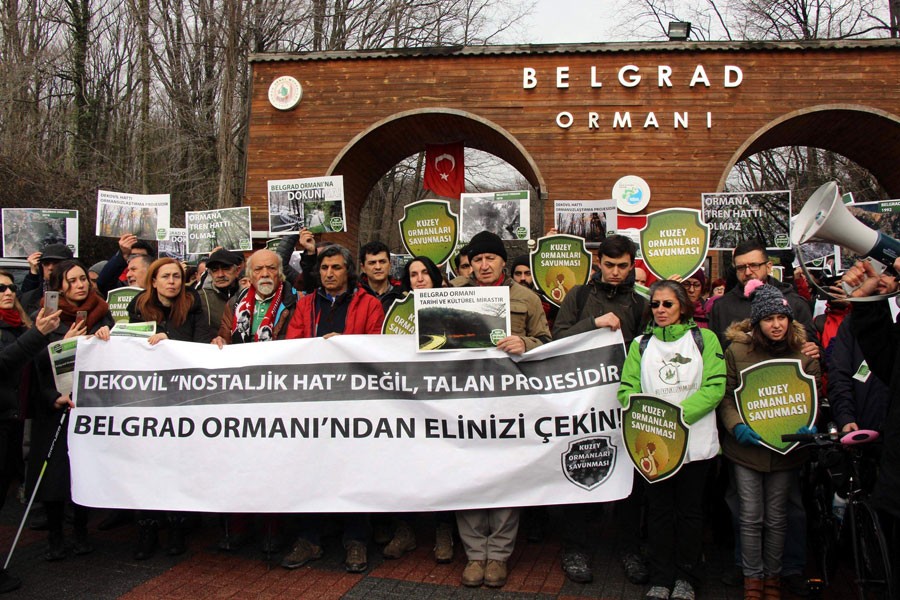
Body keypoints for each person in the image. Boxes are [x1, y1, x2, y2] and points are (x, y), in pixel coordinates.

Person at [708, 239, 817, 595]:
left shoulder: (801, 348)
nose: (775, 325)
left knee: (780, 515)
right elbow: (726, 393)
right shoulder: (732, 333)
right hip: (747, 447)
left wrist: (809, 421)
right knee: (748, 514)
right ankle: (751, 578)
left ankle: (776, 576)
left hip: (786, 447)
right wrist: (736, 427)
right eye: (768, 319)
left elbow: (814, 390)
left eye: (781, 318)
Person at [453, 231, 552, 589]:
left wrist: (524, 342)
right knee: (470, 477)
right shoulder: (452, 293)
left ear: (501, 261)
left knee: (506, 478)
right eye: (477, 259)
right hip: (463, 402)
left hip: (510, 403)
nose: (483, 265)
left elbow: (547, 341)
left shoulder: (526, 297)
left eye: (490, 258)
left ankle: (499, 556)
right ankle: (474, 553)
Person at [617, 280, 725, 600]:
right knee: (659, 513)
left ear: (682, 306)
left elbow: (715, 386)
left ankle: (687, 577)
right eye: (655, 304)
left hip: (694, 444)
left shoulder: (704, 339)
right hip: (654, 444)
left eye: (668, 304)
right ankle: (662, 578)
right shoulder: (640, 345)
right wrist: (646, 415)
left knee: (690, 513)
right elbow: (627, 389)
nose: (661, 310)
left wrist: (677, 417)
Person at [552, 234, 649, 584]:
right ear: (598, 263)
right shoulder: (578, 296)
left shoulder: (642, 304)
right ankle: (575, 547)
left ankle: (629, 547)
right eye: (609, 265)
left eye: (623, 266)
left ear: (632, 265)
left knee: (630, 481)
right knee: (582, 470)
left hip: (624, 407)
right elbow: (557, 339)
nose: (615, 272)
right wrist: (592, 324)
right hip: (583, 405)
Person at [282, 245, 384, 573]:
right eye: (324, 267)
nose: (329, 273)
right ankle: (309, 538)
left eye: (336, 267)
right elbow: (294, 344)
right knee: (308, 468)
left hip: (354, 402)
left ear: (349, 271)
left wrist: (345, 344)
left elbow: (375, 346)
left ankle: (356, 540)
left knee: (353, 469)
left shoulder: (369, 303)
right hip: (313, 401)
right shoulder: (306, 304)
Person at [124, 258, 213, 558]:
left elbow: (201, 346)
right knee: (147, 467)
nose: (173, 281)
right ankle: (146, 528)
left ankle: (178, 527)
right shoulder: (137, 308)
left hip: (183, 400)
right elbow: (128, 347)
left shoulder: (194, 305)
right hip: (148, 401)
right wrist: (106, 337)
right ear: (153, 281)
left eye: (177, 276)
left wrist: (169, 340)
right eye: (166, 277)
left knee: (179, 465)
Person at [212, 249, 297, 554]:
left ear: (280, 274)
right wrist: (220, 340)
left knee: (273, 463)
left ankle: (273, 527)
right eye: (258, 269)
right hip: (241, 396)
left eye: (271, 269)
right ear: (248, 275)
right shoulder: (236, 303)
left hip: (278, 395)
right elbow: (224, 333)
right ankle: (238, 525)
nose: (265, 275)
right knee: (238, 461)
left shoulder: (295, 301)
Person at [28, 259, 113, 561]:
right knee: (55, 475)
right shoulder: (46, 315)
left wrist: (107, 340)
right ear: (59, 286)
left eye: (83, 280)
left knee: (83, 468)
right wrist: (62, 345)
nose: (79, 285)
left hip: (89, 406)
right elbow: (32, 362)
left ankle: (80, 531)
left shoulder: (103, 314)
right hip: (53, 407)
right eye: (72, 281)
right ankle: (54, 536)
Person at [379, 255, 454, 564]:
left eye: (425, 272)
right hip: (406, 400)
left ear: (435, 276)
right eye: (413, 274)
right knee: (405, 464)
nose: (420, 278)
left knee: (444, 466)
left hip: (444, 399)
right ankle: (405, 530)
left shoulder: (453, 305)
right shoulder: (395, 309)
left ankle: (444, 531)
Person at [0, 271, 63, 593]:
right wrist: (36, 334)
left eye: (11, 286)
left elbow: (38, 366)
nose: (9, 292)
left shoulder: (17, 324)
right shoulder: (18, 330)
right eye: (1, 288)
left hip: (12, 420)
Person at [195, 248, 243, 342]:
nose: (220, 274)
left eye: (226, 268)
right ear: (210, 273)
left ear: (237, 271)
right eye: (215, 270)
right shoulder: (200, 298)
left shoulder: (248, 296)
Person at [19, 243, 74, 314]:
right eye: (46, 263)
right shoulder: (31, 295)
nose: (50, 267)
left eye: (56, 263)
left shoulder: (79, 289)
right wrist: (33, 272)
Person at [358, 241, 402, 310]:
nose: (378, 267)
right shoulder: (354, 295)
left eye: (382, 262)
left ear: (390, 264)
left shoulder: (402, 295)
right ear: (363, 268)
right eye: (372, 263)